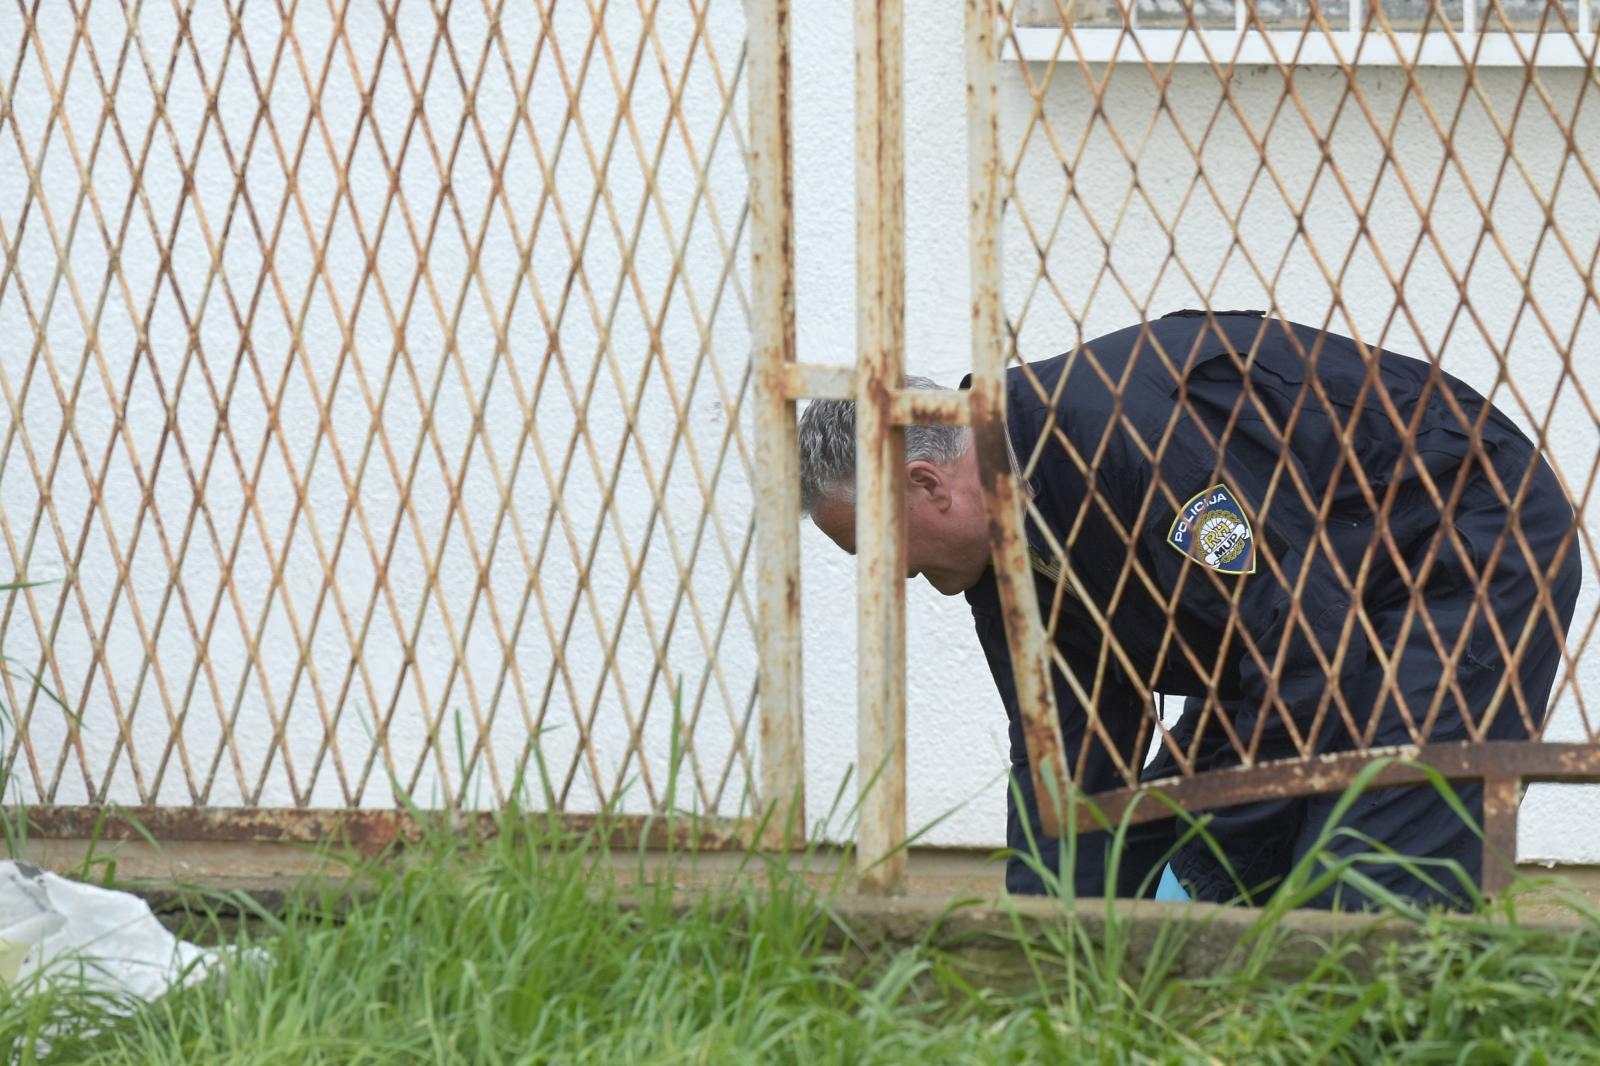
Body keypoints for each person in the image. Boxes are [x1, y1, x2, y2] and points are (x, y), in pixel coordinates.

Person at [797, 310, 1580, 909]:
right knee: (1136, 872)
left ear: (928, 489)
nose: (890, 578)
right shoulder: (1005, 543)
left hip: (1460, 546)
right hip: (1310, 617)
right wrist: (1041, 947)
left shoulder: (1117, 443)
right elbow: (1067, 756)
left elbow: (1310, 650)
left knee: (1366, 888)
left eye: (877, 550)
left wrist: (1208, 874)